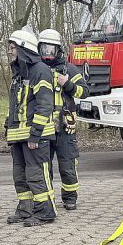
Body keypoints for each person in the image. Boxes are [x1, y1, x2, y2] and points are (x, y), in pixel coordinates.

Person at [5, 28, 57, 226]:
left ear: (24, 49)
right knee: (20, 175)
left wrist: (35, 135)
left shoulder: (40, 71)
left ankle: (45, 212)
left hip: (36, 136)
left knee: (36, 174)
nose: (10, 51)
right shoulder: (19, 73)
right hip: (19, 135)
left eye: (13, 48)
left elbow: (45, 105)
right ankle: (25, 209)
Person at [38, 29, 89, 210]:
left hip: (66, 127)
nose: (47, 54)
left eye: (50, 50)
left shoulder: (69, 69)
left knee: (67, 164)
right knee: (45, 167)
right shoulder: (37, 70)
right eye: (44, 50)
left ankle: (70, 198)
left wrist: (66, 83)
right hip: (44, 127)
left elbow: (84, 91)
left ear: (58, 49)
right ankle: (47, 198)